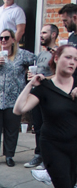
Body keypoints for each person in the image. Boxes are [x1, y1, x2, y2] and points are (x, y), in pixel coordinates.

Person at [13, 45, 77, 188]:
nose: (72, 62)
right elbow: (19, 109)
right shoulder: (45, 87)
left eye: (75, 60)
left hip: (75, 145)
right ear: (56, 58)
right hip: (53, 146)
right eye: (68, 57)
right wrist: (31, 83)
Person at [0, 28, 35, 167]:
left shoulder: (22, 55)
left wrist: (31, 73)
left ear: (13, 40)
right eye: (1, 38)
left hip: (14, 98)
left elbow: (37, 62)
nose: (3, 40)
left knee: (12, 129)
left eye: (6, 38)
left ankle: (9, 156)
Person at [25, 23, 59, 169]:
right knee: (38, 127)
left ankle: (48, 158)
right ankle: (39, 155)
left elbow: (59, 76)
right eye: (41, 33)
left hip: (51, 95)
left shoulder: (58, 53)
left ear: (53, 35)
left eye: (44, 33)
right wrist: (31, 76)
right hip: (38, 93)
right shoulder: (41, 54)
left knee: (48, 127)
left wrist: (44, 79)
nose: (41, 35)